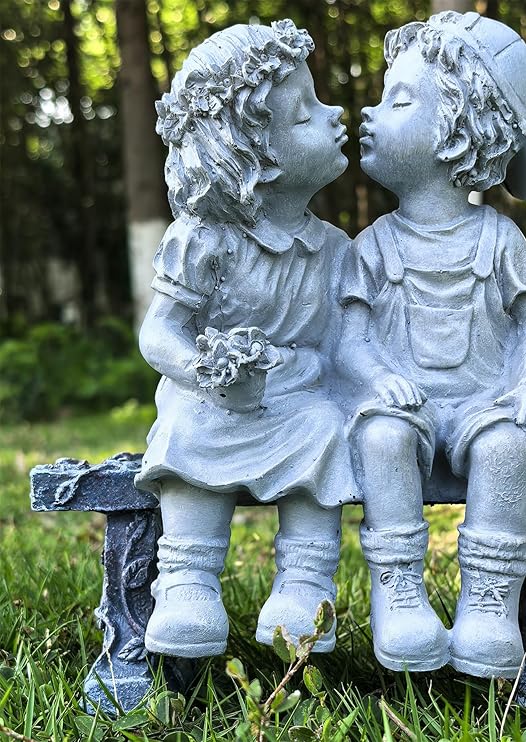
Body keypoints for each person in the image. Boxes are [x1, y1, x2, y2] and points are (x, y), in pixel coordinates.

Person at [338, 11, 526, 677]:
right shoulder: (373, 245)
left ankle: (489, 604)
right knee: (382, 437)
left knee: (506, 447)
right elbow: (349, 341)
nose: (370, 114)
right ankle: (398, 592)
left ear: (459, 130)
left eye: (399, 101)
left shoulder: (498, 239)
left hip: (480, 403)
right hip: (403, 408)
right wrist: (377, 379)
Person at [135, 19, 357, 659]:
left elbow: (347, 344)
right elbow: (160, 332)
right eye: (306, 113)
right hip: (213, 395)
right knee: (188, 433)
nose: (334, 115)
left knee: (324, 431)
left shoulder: (333, 249)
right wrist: (203, 371)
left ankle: (305, 585)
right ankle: (187, 580)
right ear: (258, 157)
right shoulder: (203, 240)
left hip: (297, 395)